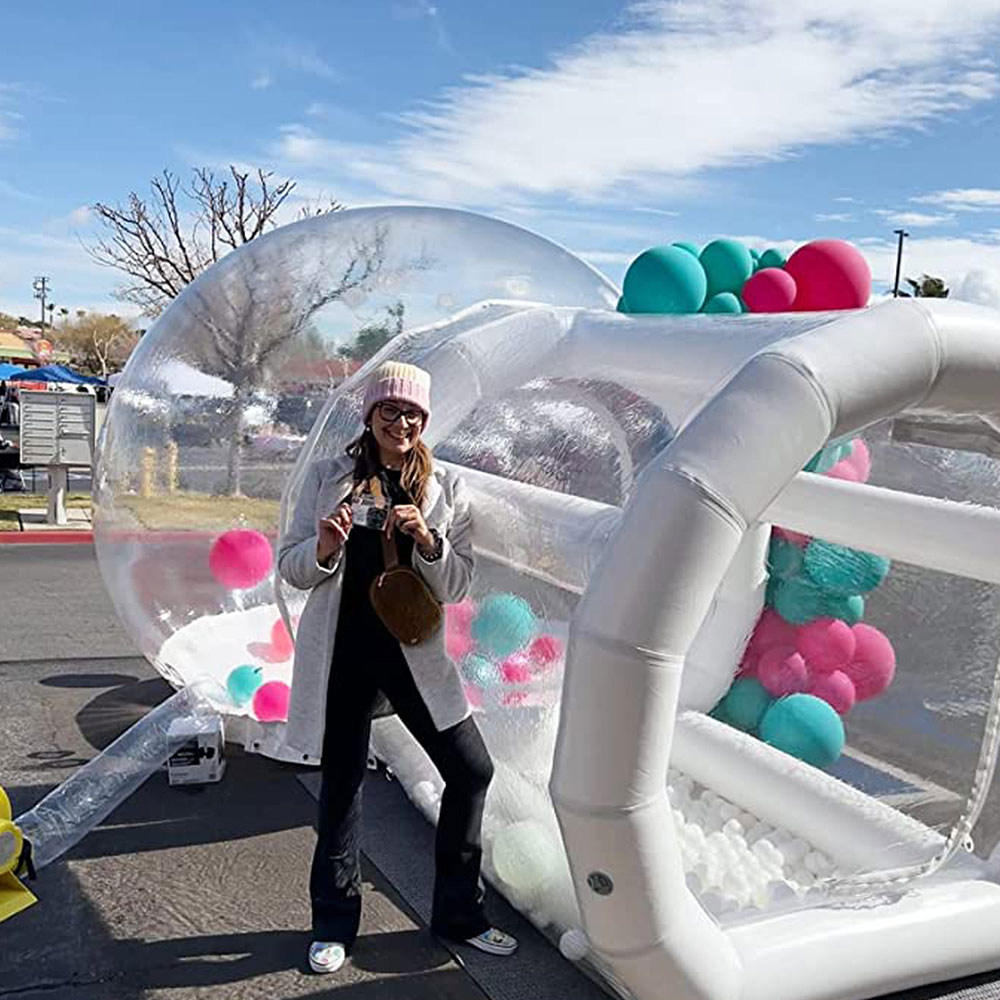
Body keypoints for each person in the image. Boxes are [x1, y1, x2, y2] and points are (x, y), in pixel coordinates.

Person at [277, 361, 517, 975]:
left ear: (425, 420)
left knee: (471, 770)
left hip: (412, 652)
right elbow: (291, 567)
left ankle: (460, 915)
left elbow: (457, 585)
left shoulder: (447, 487)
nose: (401, 423)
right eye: (390, 410)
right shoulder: (330, 477)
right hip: (343, 653)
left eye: (413, 413)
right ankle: (333, 924)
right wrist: (325, 547)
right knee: (341, 786)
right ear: (370, 414)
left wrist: (429, 540)